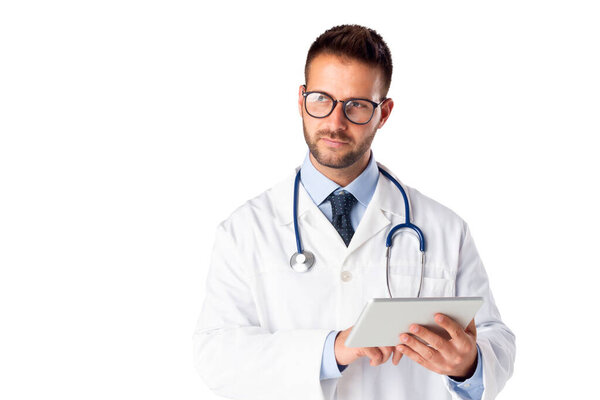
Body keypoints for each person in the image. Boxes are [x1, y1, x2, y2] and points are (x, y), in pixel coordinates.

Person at [193, 24, 515, 400]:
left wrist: (469, 365)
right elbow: (215, 354)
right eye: (321, 99)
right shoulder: (245, 229)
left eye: (357, 106)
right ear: (301, 100)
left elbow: (495, 337)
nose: (334, 122)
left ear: (384, 113)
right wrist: (331, 350)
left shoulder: (444, 229)